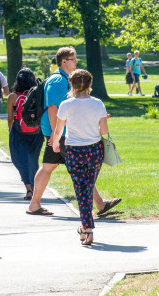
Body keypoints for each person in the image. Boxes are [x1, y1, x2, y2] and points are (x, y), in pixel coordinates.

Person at [27, 47, 121, 216]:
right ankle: (100, 205)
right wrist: (56, 135)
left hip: (58, 133)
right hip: (62, 134)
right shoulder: (58, 81)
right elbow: (53, 109)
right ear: (64, 61)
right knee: (82, 171)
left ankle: (34, 204)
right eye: (73, 59)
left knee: (47, 167)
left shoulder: (63, 79)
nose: (76, 62)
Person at [52, 69, 108, 245]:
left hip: (74, 150)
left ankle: (87, 228)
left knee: (81, 190)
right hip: (94, 150)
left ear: (72, 85)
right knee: (88, 187)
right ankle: (85, 228)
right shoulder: (98, 104)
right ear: (89, 85)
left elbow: (59, 130)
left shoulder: (66, 105)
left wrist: (55, 143)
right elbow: (104, 131)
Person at [7, 68, 44, 200]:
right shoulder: (39, 94)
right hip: (37, 132)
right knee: (33, 159)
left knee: (20, 160)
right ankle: (34, 187)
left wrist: (10, 131)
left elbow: (10, 118)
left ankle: (28, 188)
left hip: (18, 132)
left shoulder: (13, 97)